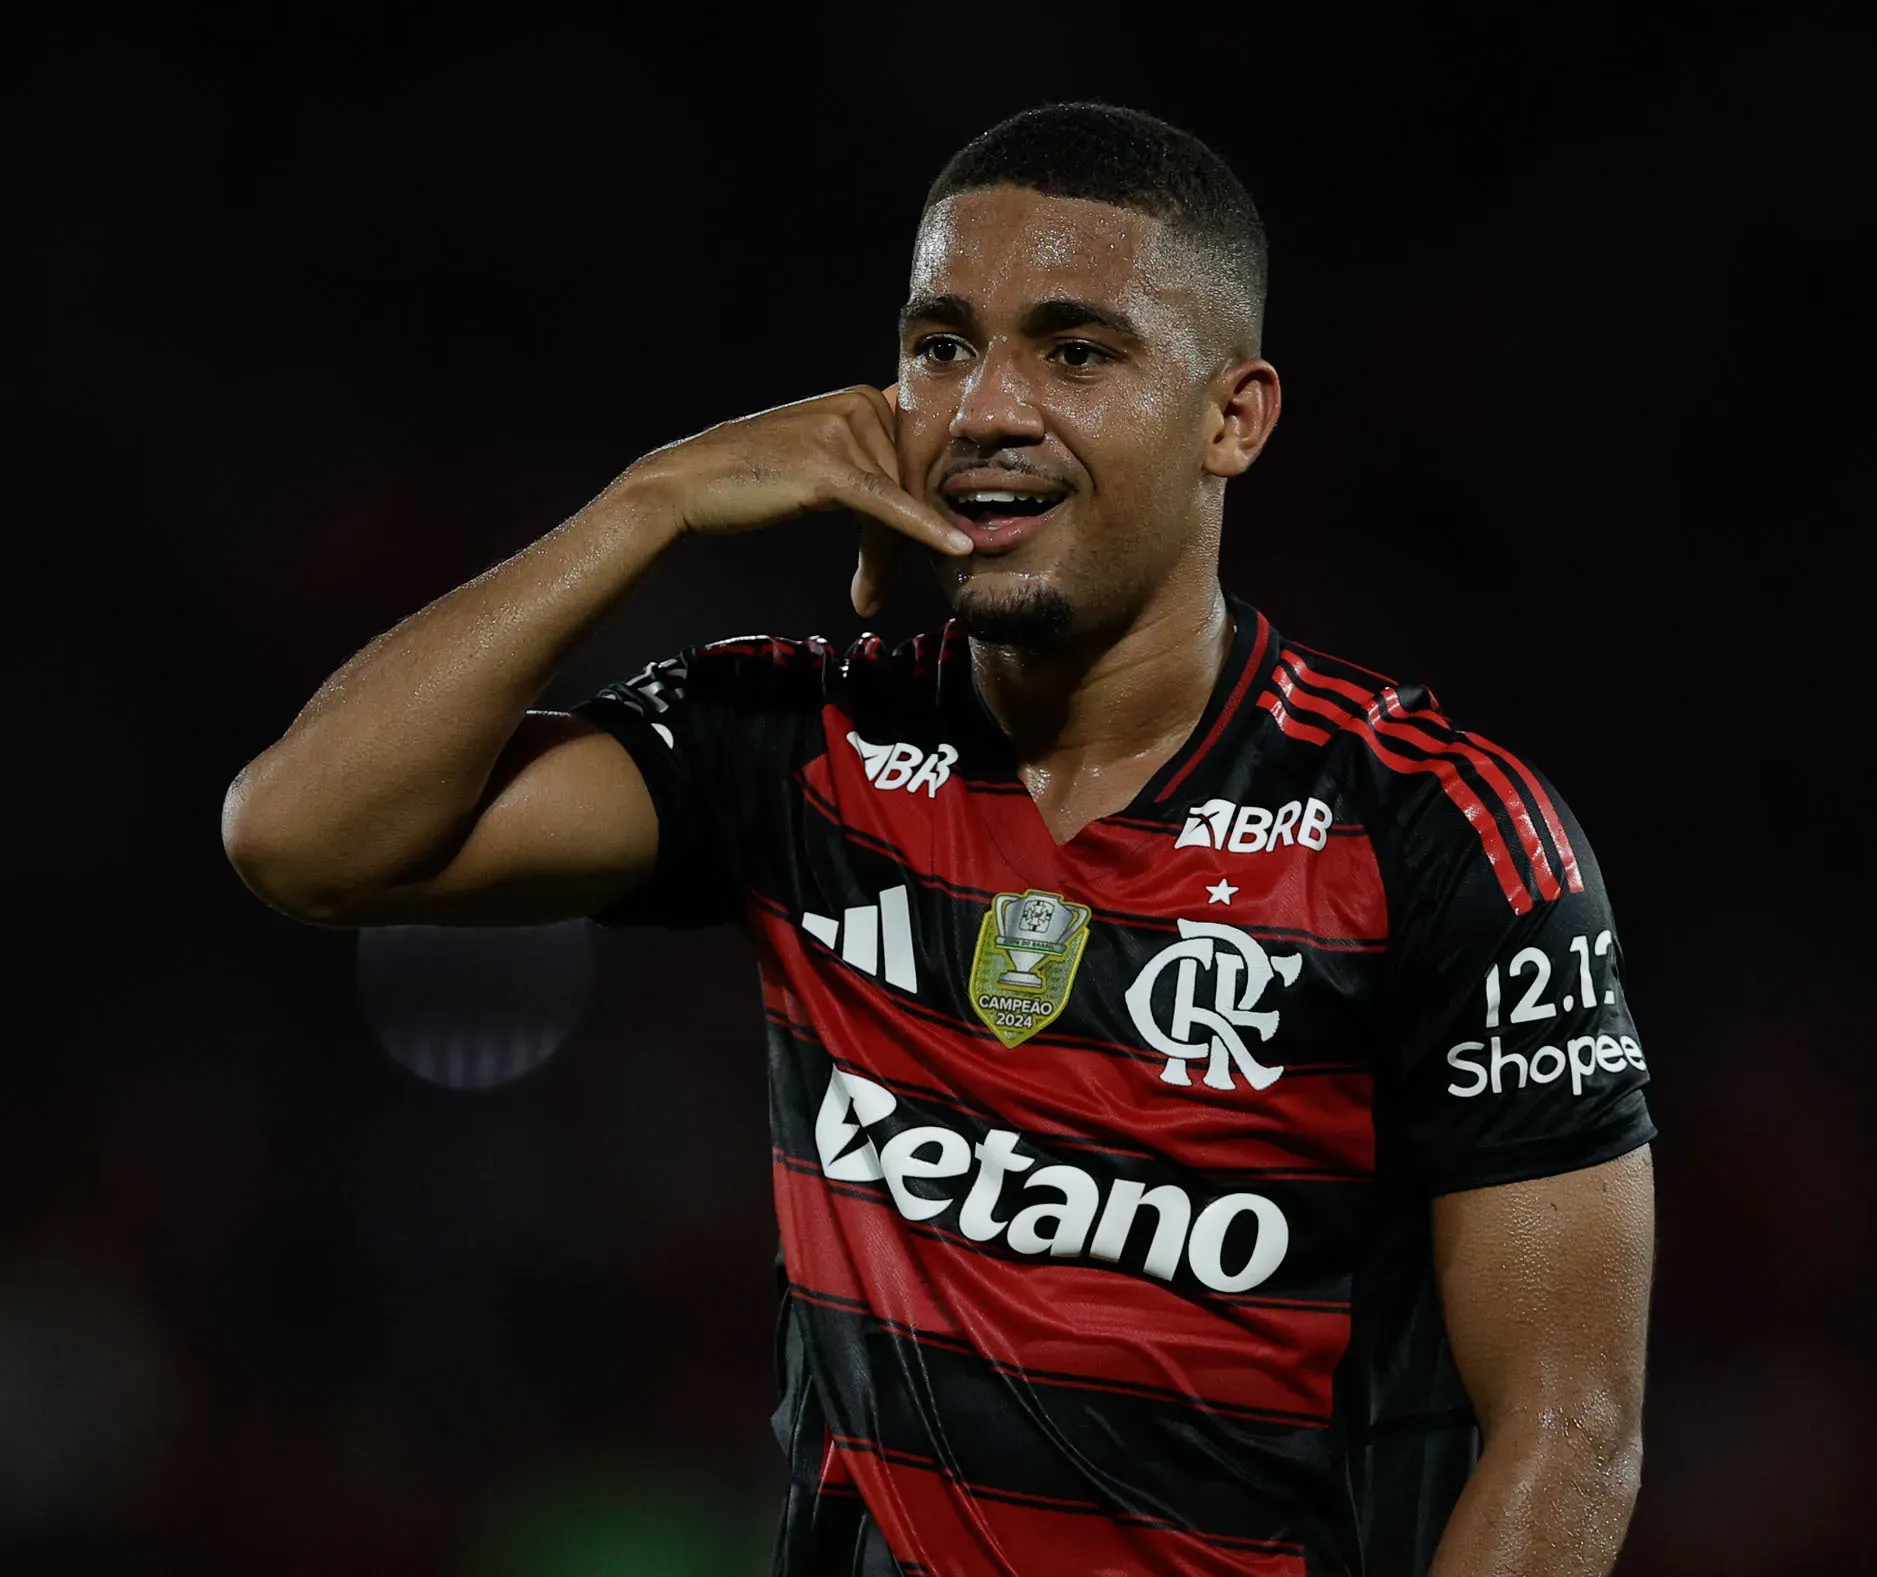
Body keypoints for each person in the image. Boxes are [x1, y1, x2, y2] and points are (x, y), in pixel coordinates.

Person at [222, 101, 1655, 1577]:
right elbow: (305, 836)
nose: (986, 410)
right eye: (942, 344)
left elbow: (1569, 1431)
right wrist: (646, 506)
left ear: (1234, 417)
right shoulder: (800, 742)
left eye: (1076, 351)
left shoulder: (1436, 830)